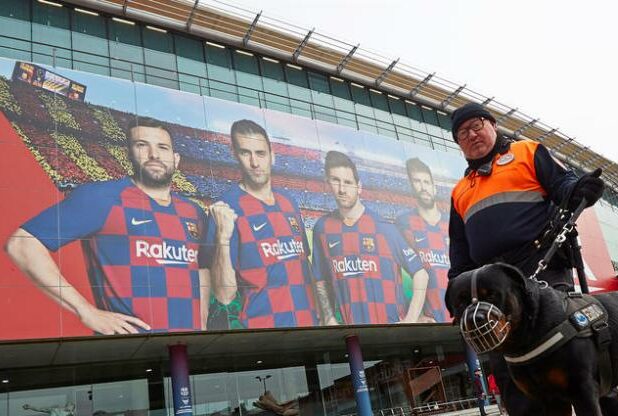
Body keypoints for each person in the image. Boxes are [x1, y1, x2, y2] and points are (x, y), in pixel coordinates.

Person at [447, 102, 618, 416]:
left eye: (477, 125)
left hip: (544, 271)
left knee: (576, 356)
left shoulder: (526, 152)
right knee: (508, 371)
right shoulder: (460, 192)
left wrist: (581, 190)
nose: (471, 134)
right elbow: (461, 253)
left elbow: (564, 187)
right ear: (459, 144)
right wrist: (456, 290)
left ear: (493, 126)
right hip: (497, 291)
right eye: (462, 132)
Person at [6, 117, 209, 334]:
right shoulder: (101, 197)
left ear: (176, 159)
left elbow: (201, 268)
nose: (154, 155)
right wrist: (85, 311)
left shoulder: (193, 211)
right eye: (142, 145)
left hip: (185, 346)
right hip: (129, 350)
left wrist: (202, 322)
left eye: (162, 147)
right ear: (128, 154)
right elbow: (21, 245)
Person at [206, 120, 319, 328]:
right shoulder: (226, 207)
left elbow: (307, 267)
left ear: (272, 155)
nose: (254, 162)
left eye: (260, 153)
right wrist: (222, 238)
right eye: (245, 153)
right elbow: (224, 295)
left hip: (309, 324)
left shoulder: (289, 202)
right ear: (235, 155)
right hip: (263, 330)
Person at [311, 151, 429, 325]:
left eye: (348, 182)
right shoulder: (322, 228)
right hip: (352, 333)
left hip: (390, 332)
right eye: (336, 181)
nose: (342, 189)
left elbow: (421, 273)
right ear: (328, 183)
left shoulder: (383, 227)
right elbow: (320, 278)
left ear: (359, 187)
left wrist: (410, 319)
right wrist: (328, 317)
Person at [395, 158, 450, 322]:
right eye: (417, 182)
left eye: (426, 182)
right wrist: (415, 314)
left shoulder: (451, 223)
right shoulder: (404, 222)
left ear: (434, 187)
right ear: (411, 186)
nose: (423, 187)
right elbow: (398, 275)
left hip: (458, 313)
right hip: (429, 319)